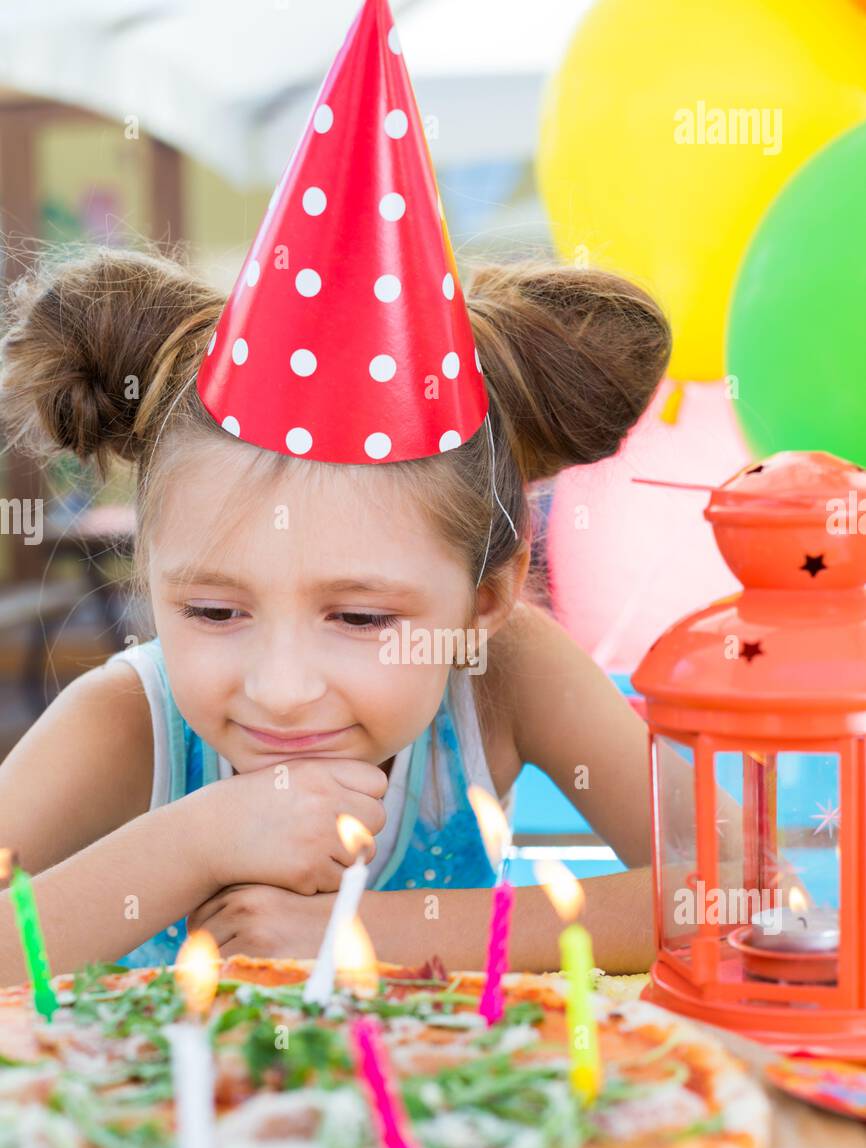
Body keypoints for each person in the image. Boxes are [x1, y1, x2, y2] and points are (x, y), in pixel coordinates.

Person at [0, 0, 674, 985]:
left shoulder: (503, 676)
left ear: (484, 597)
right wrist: (192, 841)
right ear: (148, 576)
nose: (279, 686)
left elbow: (731, 891)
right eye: (215, 608)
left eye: (358, 616)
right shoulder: (128, 724)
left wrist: (365, 936)